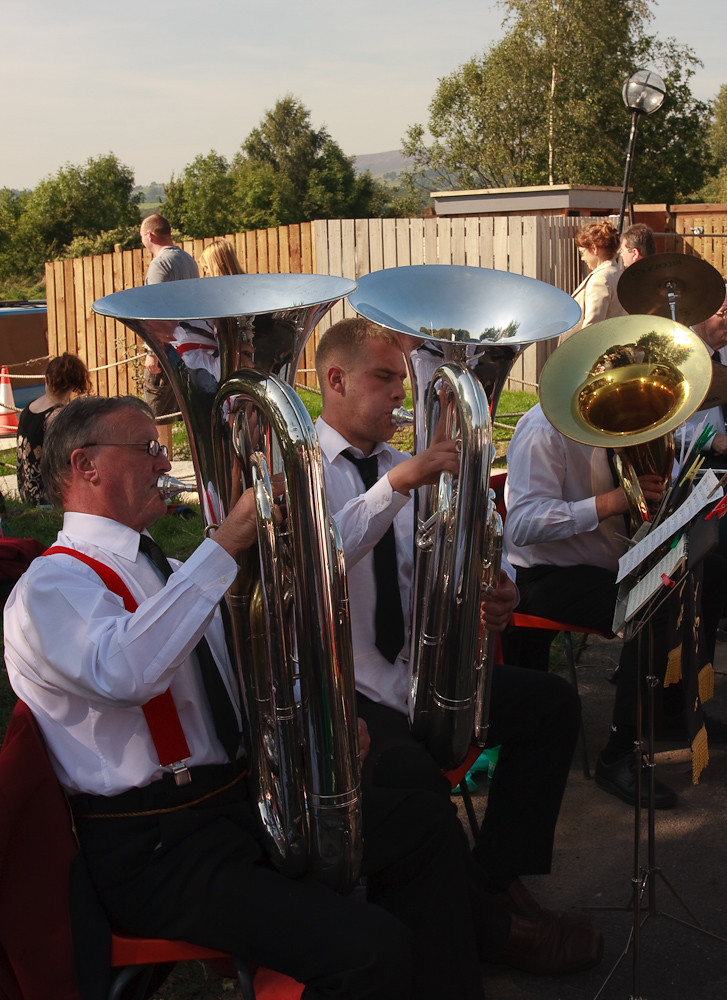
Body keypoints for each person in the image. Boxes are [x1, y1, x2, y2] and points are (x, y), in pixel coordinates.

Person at [4, 394, 586, 1000]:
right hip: (159, 849)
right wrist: (225, 544)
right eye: (147, 448)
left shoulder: (168, 568)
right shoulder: (51, 585)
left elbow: (280, 623)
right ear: (85, 465)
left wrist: (322, 720)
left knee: (420, 820)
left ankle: (461, 964)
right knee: (369, 950)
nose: (162, 463)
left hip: (234, 806)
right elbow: (125, 671)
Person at [314, 317, 604, 976]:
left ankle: (490, 879)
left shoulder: (396, 464)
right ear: (334, 380)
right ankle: (494, 930)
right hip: (348, 691)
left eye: (400, 377)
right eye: (383, 378)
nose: (398, 394)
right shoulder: (303, 465)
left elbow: (422, 571)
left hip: (412, 674)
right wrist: (397, 485)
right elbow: (317, 560)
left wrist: (484, 595)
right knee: (412, 782)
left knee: (550, 706)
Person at [501, 394, 727, 809]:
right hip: (548, 575)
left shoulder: (617, 420)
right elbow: (523, 523)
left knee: (708, 574)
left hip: (612, 560)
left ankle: (673, 708)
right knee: (653, 606)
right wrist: (615, 501)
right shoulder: (543, 428)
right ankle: (621, 751)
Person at [139, 214, 199, 426]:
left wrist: (152, 352)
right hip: (187, 346)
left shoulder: (160, 264)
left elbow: (155, 310)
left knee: (154, 415)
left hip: (166, 348)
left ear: (149, 235)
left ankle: (158, 457)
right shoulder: (188, 260)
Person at [15, 352, 90, 505]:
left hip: (25, 491)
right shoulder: (59, 416)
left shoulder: (29, 408)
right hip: (45, 498)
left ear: (47, 379)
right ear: (75, 383)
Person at [563, 220, 626, 340]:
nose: (582, 258)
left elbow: (592, 326)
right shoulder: (617, 273)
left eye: (582, 252)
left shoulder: (600, 279)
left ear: (594, 249)